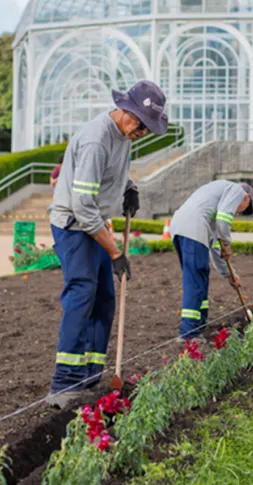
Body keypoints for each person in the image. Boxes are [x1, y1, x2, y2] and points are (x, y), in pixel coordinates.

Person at [44, 80, 165, 409]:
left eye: (146, 128)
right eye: (141, 125)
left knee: (105, 299)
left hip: (95, 223)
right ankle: (64, 383)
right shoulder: (97, 140)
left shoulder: (123, 134)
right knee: (82, 292)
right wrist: (115, 252)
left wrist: (129, 186)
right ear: (127, 112)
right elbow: (82, 206)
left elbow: (116, 171)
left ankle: (91, 373)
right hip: (74, 225)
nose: (142, 133)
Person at [171, 180, 253, 341]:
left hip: (181, 228)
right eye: (243, 209)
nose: (238, 212)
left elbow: (217, 251)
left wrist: (230, 275)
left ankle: (199, 326)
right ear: (247, 197)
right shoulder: (237, 191)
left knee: (200, 277)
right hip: (193, 229)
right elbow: (224, 220)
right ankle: (188, 333)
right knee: (195, 279)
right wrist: (227, 241)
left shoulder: (214, 208)